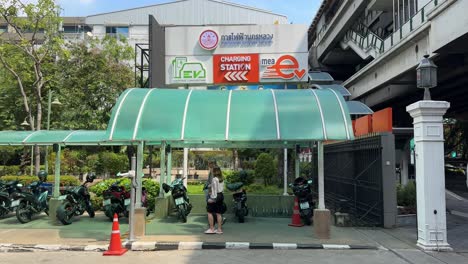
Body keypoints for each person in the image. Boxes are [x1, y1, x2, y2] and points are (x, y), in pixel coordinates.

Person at [205, 167, 224, 234]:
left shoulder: (214, 179)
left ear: (214, 172)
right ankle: (219, 230)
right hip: (221, 195)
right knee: (218, 213)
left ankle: (211, 229)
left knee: (209, 212)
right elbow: (220, 188)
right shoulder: (221, 178)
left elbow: (215, 190)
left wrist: (212, 199)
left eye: (213, 171)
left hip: (216, 196)